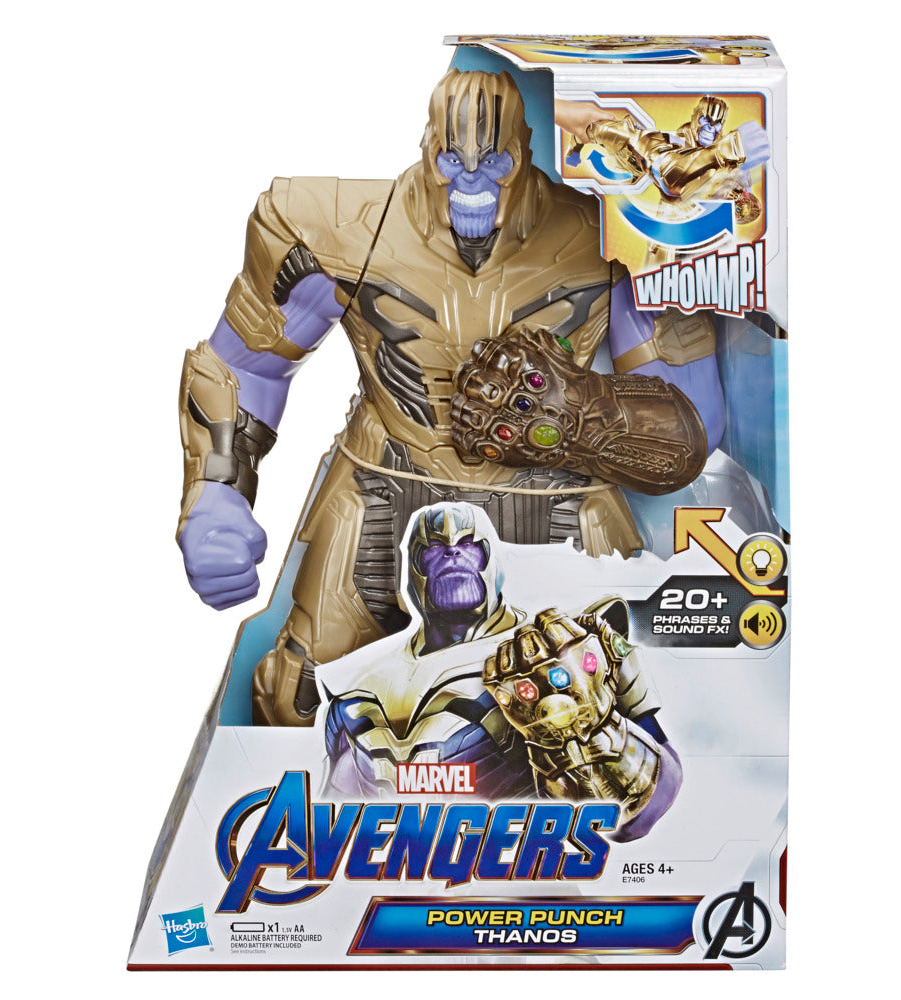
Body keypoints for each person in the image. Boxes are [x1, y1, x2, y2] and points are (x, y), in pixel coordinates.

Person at [174, 68, 725, 728]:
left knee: (596, 705)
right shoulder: (340, 230)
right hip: (386, 481)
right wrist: (215, 491)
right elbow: (242, 363)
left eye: (493, 163)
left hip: (552, 499)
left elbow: (692, 427)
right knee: (301, 697)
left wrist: (578, 412)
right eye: (452, 162)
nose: (472, 182)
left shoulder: (611, 235)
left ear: (521, 153)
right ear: (428, 148)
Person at [321, 503, 682, 841]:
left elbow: (643, 809)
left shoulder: (567, 646)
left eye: (468, 545)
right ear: (413, 567)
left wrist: (589, 731)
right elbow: (331, 821)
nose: (452, 555)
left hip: (522, 868)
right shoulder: (357, 689)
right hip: (399, 870)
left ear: (491, 558)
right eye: (434, 549)